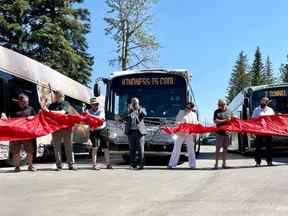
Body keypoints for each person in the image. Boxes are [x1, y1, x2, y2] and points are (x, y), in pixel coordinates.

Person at [1, 94, 36, 172]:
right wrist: (3, 115)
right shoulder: (13, 108)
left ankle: (30, 166)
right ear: (19, 102)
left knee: (30, 151)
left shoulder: (31, 109)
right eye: (24, 102)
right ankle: (17, 167)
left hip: (27, 134)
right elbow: (4, 114)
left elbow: (36, 118)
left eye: (27, 102)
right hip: (15, 134)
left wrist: (33, 117)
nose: (26, 103)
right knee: (15, 151)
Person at [43, 90, 76, 171]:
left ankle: (70, 164)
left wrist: (50, 111)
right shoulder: (51, 105)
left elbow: (62, 112)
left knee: (68, 146)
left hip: (66, 128)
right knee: (56, 147)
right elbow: (45, 113)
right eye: (55, 95)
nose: (55, 96)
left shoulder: (65, 103)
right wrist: (44, 105)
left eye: (56, 95)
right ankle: (59, 165)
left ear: (60, 96)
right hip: (55, 128)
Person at [168, 102, 198, 169]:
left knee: (191, 149)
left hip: (189, 134)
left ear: (192, 108)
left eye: (189, 108)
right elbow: (177, 122)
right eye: (186, 107)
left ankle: (192, 165)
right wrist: (181, 123)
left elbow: (196, 124)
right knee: (176, 149)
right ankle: (172, 164)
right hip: (180, 133)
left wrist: (195, 133)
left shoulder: (194, 114)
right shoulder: (181, 112)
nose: (187, 109)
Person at [87, 97, 112, 170]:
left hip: (102, 130)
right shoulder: (89, 111)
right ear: (91, 105)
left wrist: (89, 115)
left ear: (97, 104)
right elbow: (87, 121)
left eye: (95, 104)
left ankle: (108, 164)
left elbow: (99, 118)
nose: (94, 105)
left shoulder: (101, 110)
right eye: (92, 104)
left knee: (106, 148)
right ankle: (94, 165)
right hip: (93, 131)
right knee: (94, 147)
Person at [252, 97, 275, 167]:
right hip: (259, 131)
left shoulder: (270, 110)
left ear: (267, 102)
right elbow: (253, 119)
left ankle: (269, 161)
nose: (263, 102)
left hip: (268, 131)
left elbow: (273, 120)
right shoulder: (256, 109)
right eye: (262, 101)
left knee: (269, 147)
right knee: (258, 147)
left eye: (265, 101)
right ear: (261, 101)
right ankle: (258, 162)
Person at [125, 97, 147, 170]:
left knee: (140, 149)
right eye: (133, 102)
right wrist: (129, 110)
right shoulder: (129, 110)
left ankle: (141, 164)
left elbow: (144, 115)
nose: (134, 104)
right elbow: (122, 117)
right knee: (132, 149)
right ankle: (132, 164)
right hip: (131, 132)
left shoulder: (142, 109)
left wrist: (138, 110)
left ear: (138, 103)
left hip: (139, 132)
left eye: (135, 102)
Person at [213, 99, 232, 169]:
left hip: (227, 133)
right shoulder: (216, 112)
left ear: (226, 104)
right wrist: (225, 120)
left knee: (225, 149)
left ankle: (224, 164)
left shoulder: (229, 111)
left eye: (224, 104)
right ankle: (216, 164)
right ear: (218, 105)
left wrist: (234, 118)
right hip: (219, 133)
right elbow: (215, 121)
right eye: (221, 104)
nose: (222, 106)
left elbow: (232, 120)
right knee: (218, 149)